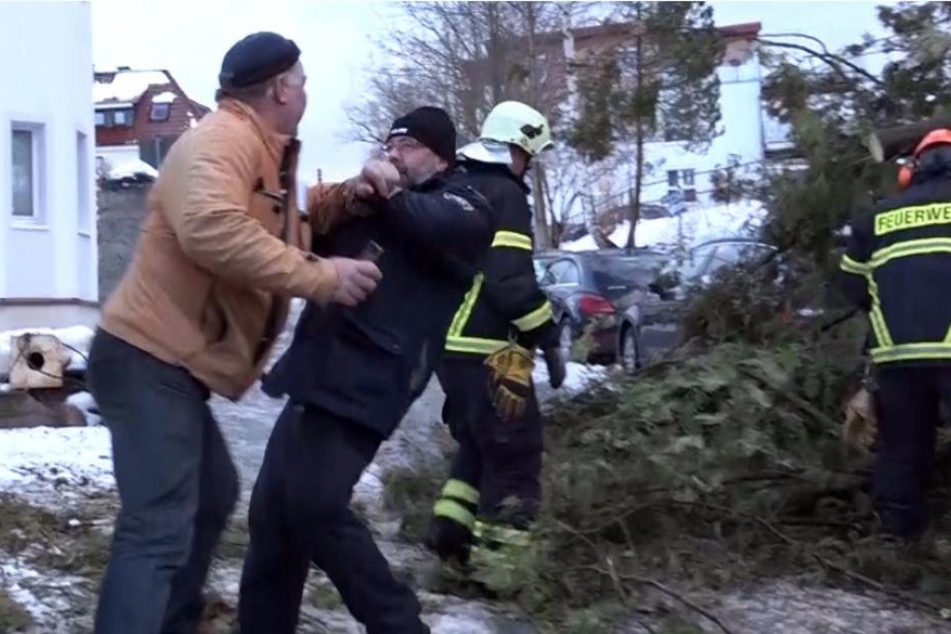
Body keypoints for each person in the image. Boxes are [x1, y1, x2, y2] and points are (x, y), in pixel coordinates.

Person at [85, 32, 381, 634]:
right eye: (301, 83)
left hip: (167, 365)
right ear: (279, 89)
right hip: (144, 358)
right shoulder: (223, 140)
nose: (305, 93)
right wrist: (321, 278)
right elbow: (210, 229)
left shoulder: (261, 149)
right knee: (160, 523)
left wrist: (352, 195)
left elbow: (288, 222)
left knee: (212, 494)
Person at [233, 106, 493, 634]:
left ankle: (400, 624)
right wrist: (348, 198)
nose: (393, 154)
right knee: (271, 513)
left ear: (440, 155)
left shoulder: (467, 203)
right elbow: (313, 243)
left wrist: (391, 194)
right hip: (316, 371)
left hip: (371, 382)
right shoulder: (377, 205)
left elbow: (431, 227)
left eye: (407, 146)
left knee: (314, 506)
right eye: (389, 145)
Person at [425, 101, 566, 578]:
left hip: (449, 347)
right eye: (530, 154)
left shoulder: (455, 186)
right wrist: (548, 334)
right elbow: (510, 282)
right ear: (517, 147)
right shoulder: (504, 194)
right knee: (515, 456)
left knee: (478, 446)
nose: (530, 165)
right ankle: (501, 574)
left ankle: (450, 540)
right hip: (493, 351)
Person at [839, 128, 951, 542]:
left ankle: (896, 542)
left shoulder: (875, 219)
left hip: (898, 356)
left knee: (902, 450)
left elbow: (852, 286)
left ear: (910, 172)